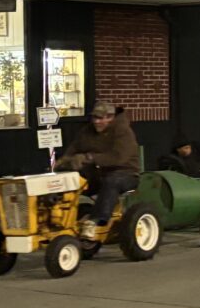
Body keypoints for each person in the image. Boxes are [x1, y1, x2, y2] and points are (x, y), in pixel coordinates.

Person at [57, 101, 141, 239]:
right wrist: (64, 162)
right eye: (95, 118)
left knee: (112, 181)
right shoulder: (86, 131)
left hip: (127, 173)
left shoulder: (123, 132)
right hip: (98, 172)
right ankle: (63, 217)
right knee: (72, 180)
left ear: (111, 117)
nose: (97, 122)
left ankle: (96, 221)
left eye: (101, 118)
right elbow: (74, 148)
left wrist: (89, 158)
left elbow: (118, 157)